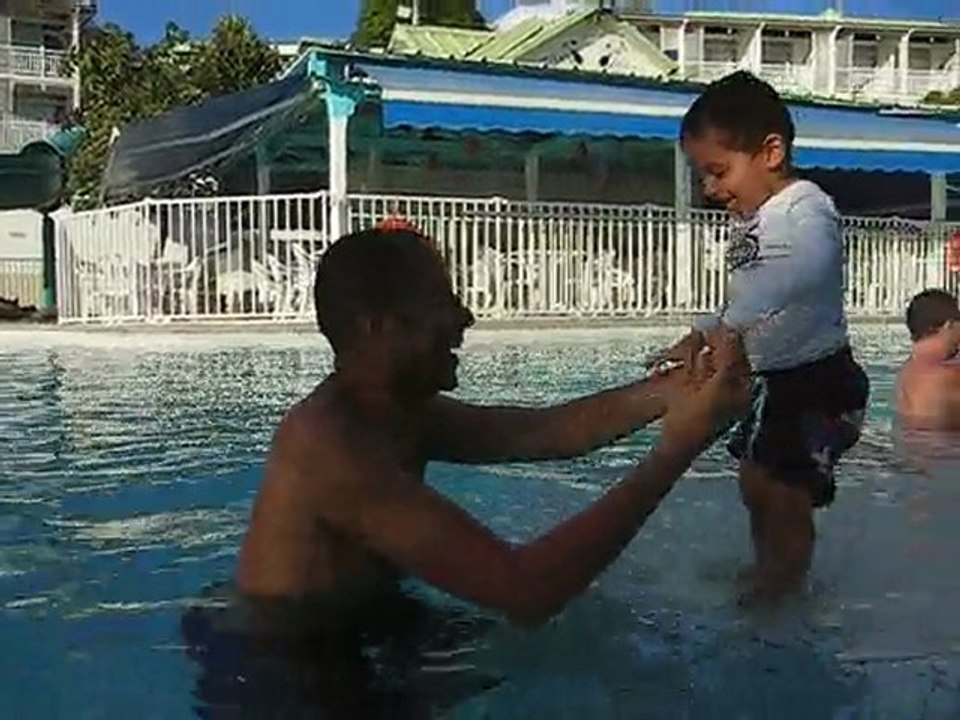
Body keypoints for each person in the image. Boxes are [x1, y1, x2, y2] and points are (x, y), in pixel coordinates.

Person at [233, 226, 751, 636]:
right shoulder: (331, 446)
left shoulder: (396, 409)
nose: (466, 316)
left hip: (363, 620)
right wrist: (678, 446)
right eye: (440, 302)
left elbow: (544, 432)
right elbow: (526, 592)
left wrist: (675, 389)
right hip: (287, 666)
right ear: (379, 326)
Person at [654, 71, 870, 602]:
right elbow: (747, 295)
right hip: (777, 381)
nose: (710, 189)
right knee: (756, 483)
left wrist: (731, 327)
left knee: (785, 492)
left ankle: (784, 588)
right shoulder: (756, 217)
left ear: (771, 152)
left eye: (718, 171)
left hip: (819, 380)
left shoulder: (805, 207)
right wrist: (704, 331)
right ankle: (770, 570)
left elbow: (806, 271)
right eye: (702, 175)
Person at [896, 289, 960, 430]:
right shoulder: (948, 377)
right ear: (949, 325)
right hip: (946, 451)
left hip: (910, 450)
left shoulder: (907, 372)